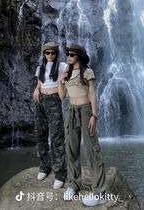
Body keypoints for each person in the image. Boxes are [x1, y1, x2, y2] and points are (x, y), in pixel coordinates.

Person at [57, 44, 107, 207]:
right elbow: (62, 96)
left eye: (71, 54)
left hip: (86, 111)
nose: (68, 57)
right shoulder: (67, 73)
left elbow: (92, 94)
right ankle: (73, 184)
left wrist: (94, 115)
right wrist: (60, 79)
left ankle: (100, 192)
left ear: (78, 56)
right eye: (67, 54)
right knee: (71, 149)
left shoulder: (88, 72)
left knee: (92, 150)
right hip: (70, 110)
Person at [33, 41, 67, 189]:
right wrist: (36, 89)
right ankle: (44, 166)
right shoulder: (40, 68)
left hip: (54, 101)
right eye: (48, 53)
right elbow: (39, 84)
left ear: (56, 53)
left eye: (53, 52)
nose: (50, 55)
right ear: (44, 54)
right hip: (40, 101)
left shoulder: (62, 66)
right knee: (40, 134)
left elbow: (64, 86)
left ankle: (60, 174)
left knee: (56, 137)